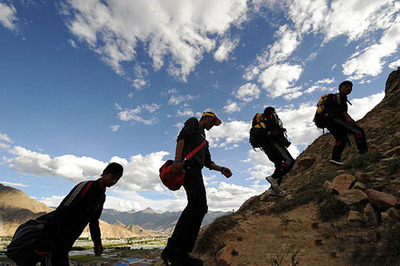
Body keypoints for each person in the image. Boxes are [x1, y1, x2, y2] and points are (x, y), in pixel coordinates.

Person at [161, 108, 233, 266]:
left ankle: (177, 251)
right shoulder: (193, 122)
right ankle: (174, 252)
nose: (213, 125)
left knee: (199, 207)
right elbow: (181, 138)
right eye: (213, 121)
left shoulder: (204, 142)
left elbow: (208, 162)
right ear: (206, 117)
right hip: (187, 167)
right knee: (197, 206)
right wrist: (178, 160)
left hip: (196, 171)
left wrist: (221, 169)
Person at [32, 162, 124, 265]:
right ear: (105, 173)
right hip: (55, 238)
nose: (113, 181)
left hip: (67, 241)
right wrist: (46, 243)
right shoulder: (86, 186)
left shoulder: (101, 197)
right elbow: (62, 210)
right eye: (112, 177)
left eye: (117, 179)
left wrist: (97, 243)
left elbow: (94, 221)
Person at [250, 107, 294, 197]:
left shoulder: (259, 122)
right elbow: (276, 128)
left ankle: (274, 190)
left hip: (265, 147)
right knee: (289, 161)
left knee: (278, 165)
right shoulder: (270, 115)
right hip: (273, 143)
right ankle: (273, 177)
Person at [325, 80, 368, 165]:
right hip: (335, 120)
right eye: (346, 86)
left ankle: (335, 158)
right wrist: (349, 118)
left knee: (341, 139)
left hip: (330, 123)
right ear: (340, 88)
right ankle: (364, 153)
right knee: (358, 131)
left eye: (350, 87)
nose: (349, 88)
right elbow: (341, 111)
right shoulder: (338, 97)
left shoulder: (342, 98)